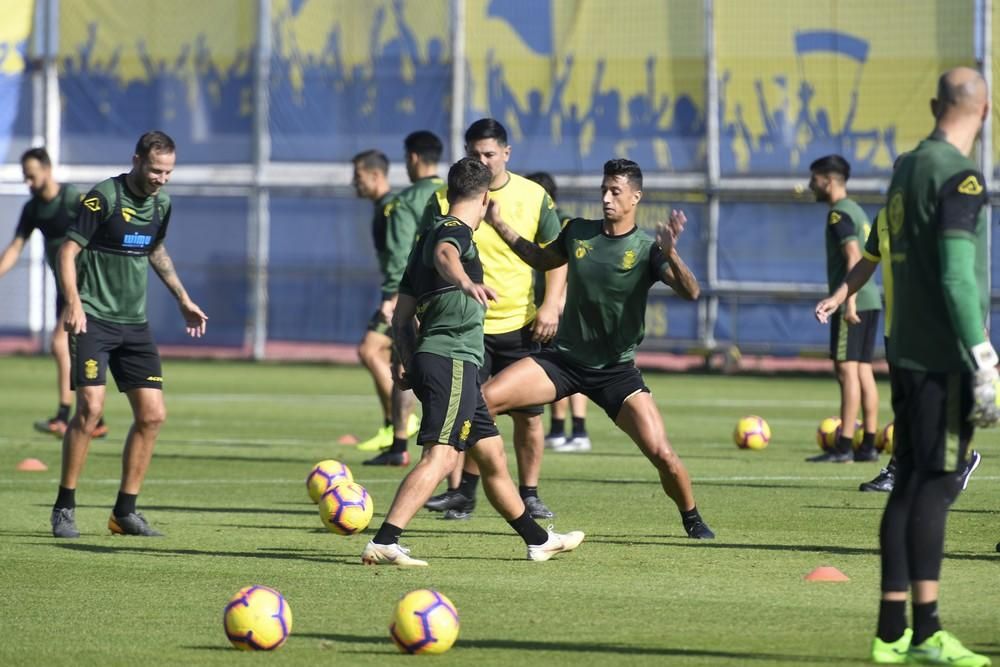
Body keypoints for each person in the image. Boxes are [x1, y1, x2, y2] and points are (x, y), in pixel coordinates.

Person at [361, 157, 584, 566]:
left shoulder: (424, 238)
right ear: (484, 199)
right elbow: (449, 254)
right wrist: (465, 281)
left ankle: (538, 540)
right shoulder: (452, 232)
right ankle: (386, 540)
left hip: (436, 357)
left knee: (493, 458)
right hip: (453, 359)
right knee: (442, 456)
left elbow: (401, 313)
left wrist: (405, 358)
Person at [478, 158, 715, 539]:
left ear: (635, 197)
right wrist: (499, 224)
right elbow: (540, 258)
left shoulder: (646, 249)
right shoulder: (578, 232)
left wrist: (671, 252)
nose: (606, 197)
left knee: (664, 456)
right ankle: (477, 491)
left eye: (615, 191)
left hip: (616, 373)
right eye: (603, 189)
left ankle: (692, 517)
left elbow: (691, 292)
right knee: (481, 402)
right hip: (563, 362)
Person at [863, 67, 995, 666]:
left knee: (910, 484)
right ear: (984, 110)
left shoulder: (907, 166)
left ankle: (891, 631)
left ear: (936, 104)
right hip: (943, 356)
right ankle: (927, 631)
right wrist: (983, 355)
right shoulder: (959, 176)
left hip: (905, 348)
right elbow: (955, 275)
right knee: (937, 488)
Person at [50, 131, 208, 538]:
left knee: (153, 415)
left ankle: (125, 512)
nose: (162, 178)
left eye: (169, 172)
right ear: (136, 160)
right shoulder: (103, 197)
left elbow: (155, 249)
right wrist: (74, 302)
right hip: (94, 319)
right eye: (156, 170)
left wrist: (182, 298)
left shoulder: (162, 203)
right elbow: (67, 251)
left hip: (134, 324)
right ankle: (65, 507)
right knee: (89, 410)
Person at [421, 119, 566, 520]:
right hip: (470, 327)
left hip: (521, 321)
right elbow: (431, 255)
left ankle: (530, 492)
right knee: (470, 409)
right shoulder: (446, 198)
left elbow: (556, 256)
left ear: (506, 153)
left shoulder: (533, 195)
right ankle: (463, 493)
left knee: (529, 417)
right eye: (474, 154)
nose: (482, 161)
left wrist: (551, 305)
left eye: (489, 154)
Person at [815, 156, 983, 495]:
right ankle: (917, 465)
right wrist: (839, 296)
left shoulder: (936, 218)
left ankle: (940, 462)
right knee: (907, 402)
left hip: (934, 326)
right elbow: (865, 263)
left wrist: (971, 323)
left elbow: (960, 273)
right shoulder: (885, 219)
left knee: (928, 401)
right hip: (898, 328)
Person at [0, 148, 107, 439]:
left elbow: (100, 230)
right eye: (25, 177)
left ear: (47, 170)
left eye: (32, 176)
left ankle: (65, 415)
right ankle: (95, 418)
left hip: (85, 287)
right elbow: (14, 248)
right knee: (74, 350)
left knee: (60, 344)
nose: (28, 182)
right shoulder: (33, 209)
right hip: (64, 288)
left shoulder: (72, 199)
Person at [359, 133, 444, 466]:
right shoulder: (451, 193)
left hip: (411, 293)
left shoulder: (404, 202)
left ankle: (400, 439)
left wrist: (391, 296)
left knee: (397, 362)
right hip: (450, 292)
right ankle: (415, 441)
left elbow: (399, 255)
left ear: (411, 158)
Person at [806, 154, 881, 463]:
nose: (811, 185)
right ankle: (869, 445)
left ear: (829, 180)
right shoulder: (857, 210)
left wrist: (848, 303)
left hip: (855, 300)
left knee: (845, 371)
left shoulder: (838, 214)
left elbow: (853, 257)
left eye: (814, 179)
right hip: (871, 299)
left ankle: (845, 445)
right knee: (863, 371)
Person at [352, 150, 419, 457]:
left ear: (376, 176)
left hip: (399, 294)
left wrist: (394, 297)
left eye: (358, 176)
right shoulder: (384, 208)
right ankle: (394, 429)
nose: (354, 182)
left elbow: (402, 256)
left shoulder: (393, 209)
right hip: (395, 292)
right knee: (388, 355)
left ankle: (398, 422)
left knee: (369, 349)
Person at [525, 171, 593, 453]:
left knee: (568, 366)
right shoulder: (541, 220)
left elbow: (576, 266)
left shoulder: (563, 223)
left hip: (565, 305)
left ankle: (576, 429)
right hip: (550, 304)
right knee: (558, 365)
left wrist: (560, 299)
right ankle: (563, 429)